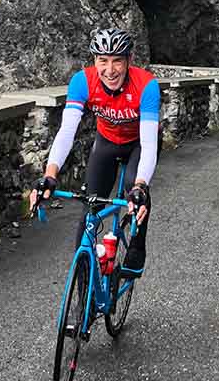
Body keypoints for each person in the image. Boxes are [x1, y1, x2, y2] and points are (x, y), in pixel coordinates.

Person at [29, 28, 160, 278]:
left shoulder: (146, 85)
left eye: (117, 61)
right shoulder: (82, 81)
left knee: (135, 192)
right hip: (107, 142)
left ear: (129, 61)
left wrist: (141, 186)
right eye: (103, 60)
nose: (110, 70)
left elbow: (150, 144)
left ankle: (137, 246)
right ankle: (82, 287)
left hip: (138, 144)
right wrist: (50, 174)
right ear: (94, 61)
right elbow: (67, 131)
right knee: (90, 206)